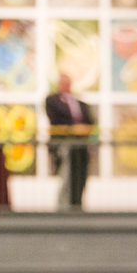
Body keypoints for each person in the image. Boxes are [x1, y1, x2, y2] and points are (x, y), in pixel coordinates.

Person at [43, 74, 93, 209]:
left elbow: (90, 119)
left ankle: (77, 203)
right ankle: (64, 206)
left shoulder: (80, 103)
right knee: (67, 175)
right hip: (65, 144)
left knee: (80, 176)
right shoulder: (53, 100)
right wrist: (73, 127)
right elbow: (56, 118)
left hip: (81, 145)